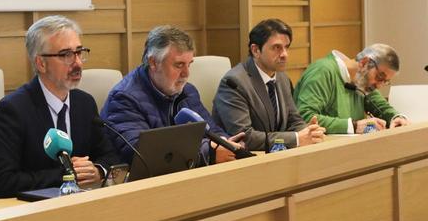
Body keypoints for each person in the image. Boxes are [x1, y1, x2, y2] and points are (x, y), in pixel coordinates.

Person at [0, 16, 121, 200]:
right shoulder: (13, 110)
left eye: (79, 52)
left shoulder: (84, 103)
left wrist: (98, 171)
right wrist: (68, 174)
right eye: (66, 55)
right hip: (24, 213)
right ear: (41, 63)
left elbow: (110, 157)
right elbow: (0, 181)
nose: (77, 62)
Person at [101, 25, 243, 165]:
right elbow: (144, 154)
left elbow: (211, 131)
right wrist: (210, 152)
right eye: (179, 65)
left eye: (189, 65)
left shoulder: (187, 91)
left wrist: (227, 143)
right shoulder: (124, 98)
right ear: (153, 63)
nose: (186, 74)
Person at [213, 19, 324, 151]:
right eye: (277, 48)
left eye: (286, 47)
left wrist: (309, 131)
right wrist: (296, 138)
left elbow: (294, 120)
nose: (284, 55)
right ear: (255, 50)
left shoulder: (282, 78)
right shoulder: (234, 82)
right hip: (244, 161)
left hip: (277, 155)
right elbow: (245, 137)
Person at [294, 43, 409, 134]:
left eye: (385, 81)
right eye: (379, 77)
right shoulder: (323, 71)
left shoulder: (362, 80)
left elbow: (381, 106)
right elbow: (305, 116)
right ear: (364, 62)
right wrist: (354, 126)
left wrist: (396, 117)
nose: (379, 85)